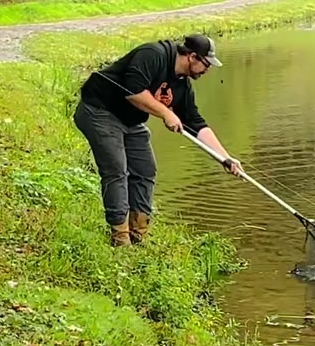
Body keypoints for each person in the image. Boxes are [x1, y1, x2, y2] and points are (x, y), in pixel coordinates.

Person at [75, 33, 242, 247]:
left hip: (131, 121)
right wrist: (166, 113)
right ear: (192, 57)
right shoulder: (153, 55)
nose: (208, 70)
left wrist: (225, 158)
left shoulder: (182, 86)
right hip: (99, 111)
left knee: (145, 170)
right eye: (206, 64)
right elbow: (133, 91)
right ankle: (120, 237)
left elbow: (195, 123)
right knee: (117, 170)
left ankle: (139, 233)